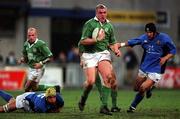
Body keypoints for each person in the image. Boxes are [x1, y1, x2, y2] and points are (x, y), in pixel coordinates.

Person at [118, 22, 176, 112]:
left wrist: (165, 58)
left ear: (155, 32)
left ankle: (132, 107)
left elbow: (173, 50)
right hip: (144, 67)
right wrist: (120, 45)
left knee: (142, 88)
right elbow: (133, 41)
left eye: (150, 33)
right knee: (136, 88)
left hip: (156, 68)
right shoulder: (144, 38)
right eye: (147, 32)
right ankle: (149, 88)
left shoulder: (164, 38)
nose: (148, 34)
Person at [78, 4, 121, 115]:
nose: (103, 15)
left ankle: (104, 106)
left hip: (103, 54)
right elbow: (83, 41)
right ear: (96, 13)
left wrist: (116, 50)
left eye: (104, 12)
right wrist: (97, 40)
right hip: (90, 55)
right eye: (100, 13)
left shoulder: (109, 26)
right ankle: (83, 98)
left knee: (109, 78)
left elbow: (112, 42)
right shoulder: (89, 24)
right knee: (91, 82)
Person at [18, 27, 55, 92]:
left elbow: (50, 56)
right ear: (27, 36)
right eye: (29, 35)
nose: (31, 37)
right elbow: (26, 57)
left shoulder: (40, 44)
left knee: (27, 88)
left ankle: (28, 101)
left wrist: (41, 63)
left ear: (36, 35)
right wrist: (22, 59)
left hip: (38, 69)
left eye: (33, 35)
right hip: (31, 68)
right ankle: (54, 88)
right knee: (34, 88)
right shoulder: (26, 44)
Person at [0, 88, 64, 113]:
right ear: (46, 98)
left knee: (12, 100)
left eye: (54, 97)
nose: (52, 99)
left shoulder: (59, 99)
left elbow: (60, 107)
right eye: (50, 97)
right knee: (4, 109)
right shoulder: (40, 105)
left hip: (33, 95)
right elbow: (50, 112)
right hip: (25, 99)